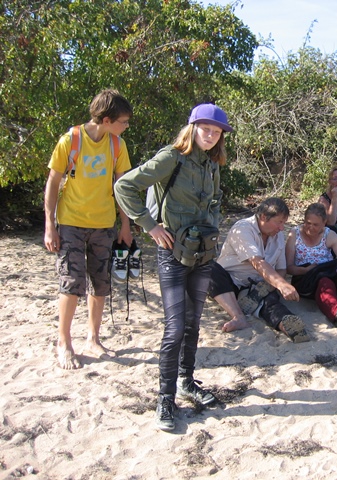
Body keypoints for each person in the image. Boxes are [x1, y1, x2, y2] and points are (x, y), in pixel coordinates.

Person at [114, 103, 232, 431]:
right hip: (172, 254)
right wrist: (150, 226)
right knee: (175, 326)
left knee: (194, 323)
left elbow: (215, 200)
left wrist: (213, 227)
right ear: (192, 127)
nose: (210, 135)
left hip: (203, 253)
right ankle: (165, 398)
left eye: (216, 131)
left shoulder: (212, 163)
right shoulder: (171, 157)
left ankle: (186, 381)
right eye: (205, 128)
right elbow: (124, 187)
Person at [43, 89, 133, 370]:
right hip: (70, 222)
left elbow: (123, 187)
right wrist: (50, 225)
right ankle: (64, 342)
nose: (126, 126)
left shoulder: (117, 145)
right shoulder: (71, 140)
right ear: (106, 120)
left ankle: (93, 338)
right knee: (71, 283)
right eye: (123, 121)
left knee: (100, 283)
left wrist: (126, 225)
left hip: (104, 224)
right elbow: (53, 183)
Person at [214, 197, 311, 343]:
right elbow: (257, 262)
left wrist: (272, 285)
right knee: (209, 269)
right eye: (279, 222)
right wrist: (282, 284)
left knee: (270, 303)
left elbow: (281, 269)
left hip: (259, 284)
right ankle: (238, 316)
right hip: (230, 282)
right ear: (264, 217)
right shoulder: (243, 229)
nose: (281, 228)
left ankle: (289, 326)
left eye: (283, 223)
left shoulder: (277, 236)